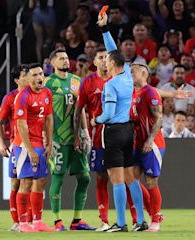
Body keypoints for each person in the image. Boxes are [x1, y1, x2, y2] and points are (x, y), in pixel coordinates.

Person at [92, 12, 148, 232]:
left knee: (116, 179)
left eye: (106, 59)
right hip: (128, 131)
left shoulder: (111, 84)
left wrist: (96, 119)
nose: (105, 61)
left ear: (112, 64)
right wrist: (104, 29)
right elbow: (114, 50)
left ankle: (121, 223)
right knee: (130, 176)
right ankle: (141, 220)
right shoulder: (126, 76)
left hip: (113, 131)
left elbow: (108, 113)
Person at [44, 49, 93, 231]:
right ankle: (57, 221)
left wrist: (85, 132)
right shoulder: (48, 83)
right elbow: (44, 113)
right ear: (52, 63)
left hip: (76, 139)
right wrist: (46, 137)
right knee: (58, 178)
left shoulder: (76, 81)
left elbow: (81, 110)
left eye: (66, 58)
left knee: (85, 177)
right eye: (61, 58)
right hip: (58, 139)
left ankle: (77, 220)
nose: (65, 61)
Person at [13, 63, 54, 232]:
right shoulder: (23, 96)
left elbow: (49, 119)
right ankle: (23, 223)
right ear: (28, 79)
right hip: (24, 144)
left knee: (40, 181)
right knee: (26, 182)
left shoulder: (47, 93)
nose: (39, 78)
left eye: (40, 74)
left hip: (40, 143)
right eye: (35, 75)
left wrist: (50, 143)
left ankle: (37, 222)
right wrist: (30, 150)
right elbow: (21, 126)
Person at [75, 47, 111, 231]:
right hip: (98, 137)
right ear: (95, 62)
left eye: (107, 57)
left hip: (120, 133)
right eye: (101, 57)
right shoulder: (88, 82)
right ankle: (104, 219)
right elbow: (78, 110)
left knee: (128, 177)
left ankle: (142, 217)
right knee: (102, 176)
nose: (105, 60)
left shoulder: (119, 79)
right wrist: (78, 136)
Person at [130, 60, 165, 232]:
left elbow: (159, 117)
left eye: (133, 72)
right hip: (136, 143)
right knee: (131, 180)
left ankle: (155, 219)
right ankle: (152, 212)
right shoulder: (132, 93)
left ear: (143, 73)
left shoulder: (150, 92)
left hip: (153, 144)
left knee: (151, 182)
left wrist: (150, 140)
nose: (130, 75)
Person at [0, 65, 29, 231]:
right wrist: (2, 143)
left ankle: (29, 221)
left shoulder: (37, 93)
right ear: (17, 80)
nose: (29, 77)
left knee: (31, 183)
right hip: (17, 146)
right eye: (25, 75)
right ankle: (17, 221)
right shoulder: (10, 98)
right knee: (16, 184)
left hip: (35, 145)